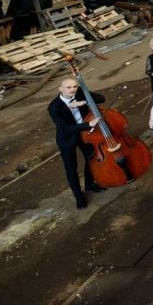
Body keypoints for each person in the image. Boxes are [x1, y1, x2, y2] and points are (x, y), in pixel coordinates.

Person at [48, 78, 105, 209]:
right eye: (68, 87)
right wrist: (88, 124)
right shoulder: (54, 107)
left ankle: (90, 184)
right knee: (71, 168)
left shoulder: (79, 92)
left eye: (74, 86)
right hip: (67, 138)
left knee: (91, 158)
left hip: (85, 134)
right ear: (60, 89)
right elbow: (64, 128)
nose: (72, 89)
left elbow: (101, 98)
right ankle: (79, 197)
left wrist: (83, 102)